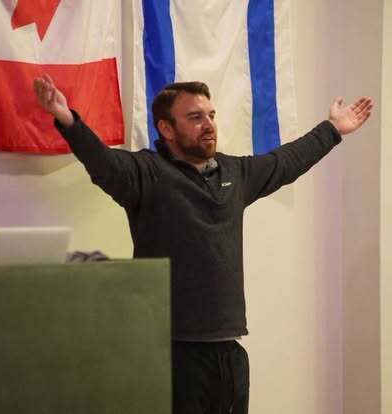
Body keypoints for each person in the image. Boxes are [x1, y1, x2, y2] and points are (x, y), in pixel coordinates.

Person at [33, 74, 372, 414]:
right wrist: (67, 120)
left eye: (211, 115)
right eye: (195, 117)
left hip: (230, 350)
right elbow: (103, 161)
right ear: (167, 129)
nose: (209, 125)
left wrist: (332, 129)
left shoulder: (234, 173)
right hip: (172, 351)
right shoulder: (147, 173)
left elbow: (285, 162)